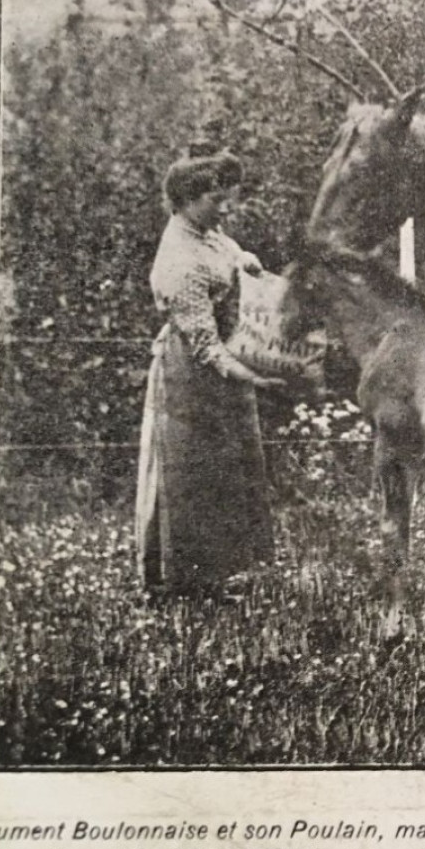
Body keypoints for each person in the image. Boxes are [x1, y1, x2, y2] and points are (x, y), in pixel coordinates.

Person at [135, 148, 285, 599]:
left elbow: (229, 252)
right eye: (216, 199)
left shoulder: (206, 231)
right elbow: (204, 346)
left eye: (228, 198)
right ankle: (179, 583)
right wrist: (253, 376)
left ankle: (215, 576)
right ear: (185, 199)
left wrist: (247, 261)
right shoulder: (178, 258)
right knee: (189, 472)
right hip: (192, 373)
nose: (226, 208)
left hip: (227, 362)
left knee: (224, 470)